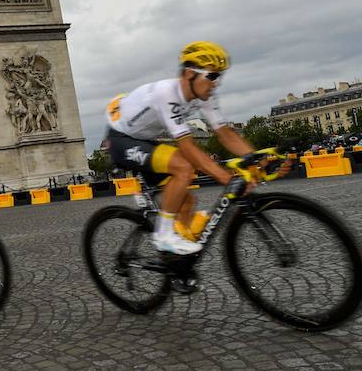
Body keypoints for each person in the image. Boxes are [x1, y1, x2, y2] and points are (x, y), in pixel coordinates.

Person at [105, 41, 284, 257]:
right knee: (184, 166)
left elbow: (225, 133)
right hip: (121, 139)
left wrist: (255, 159)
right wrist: (229, 180)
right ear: (190, 74)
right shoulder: (167, 94)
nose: (216, 83)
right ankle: (163, 235)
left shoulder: (203, 95)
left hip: (143, 139)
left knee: (186, 200)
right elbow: (188, 148)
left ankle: (175, 264)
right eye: (212, 76)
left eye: (219, 76)